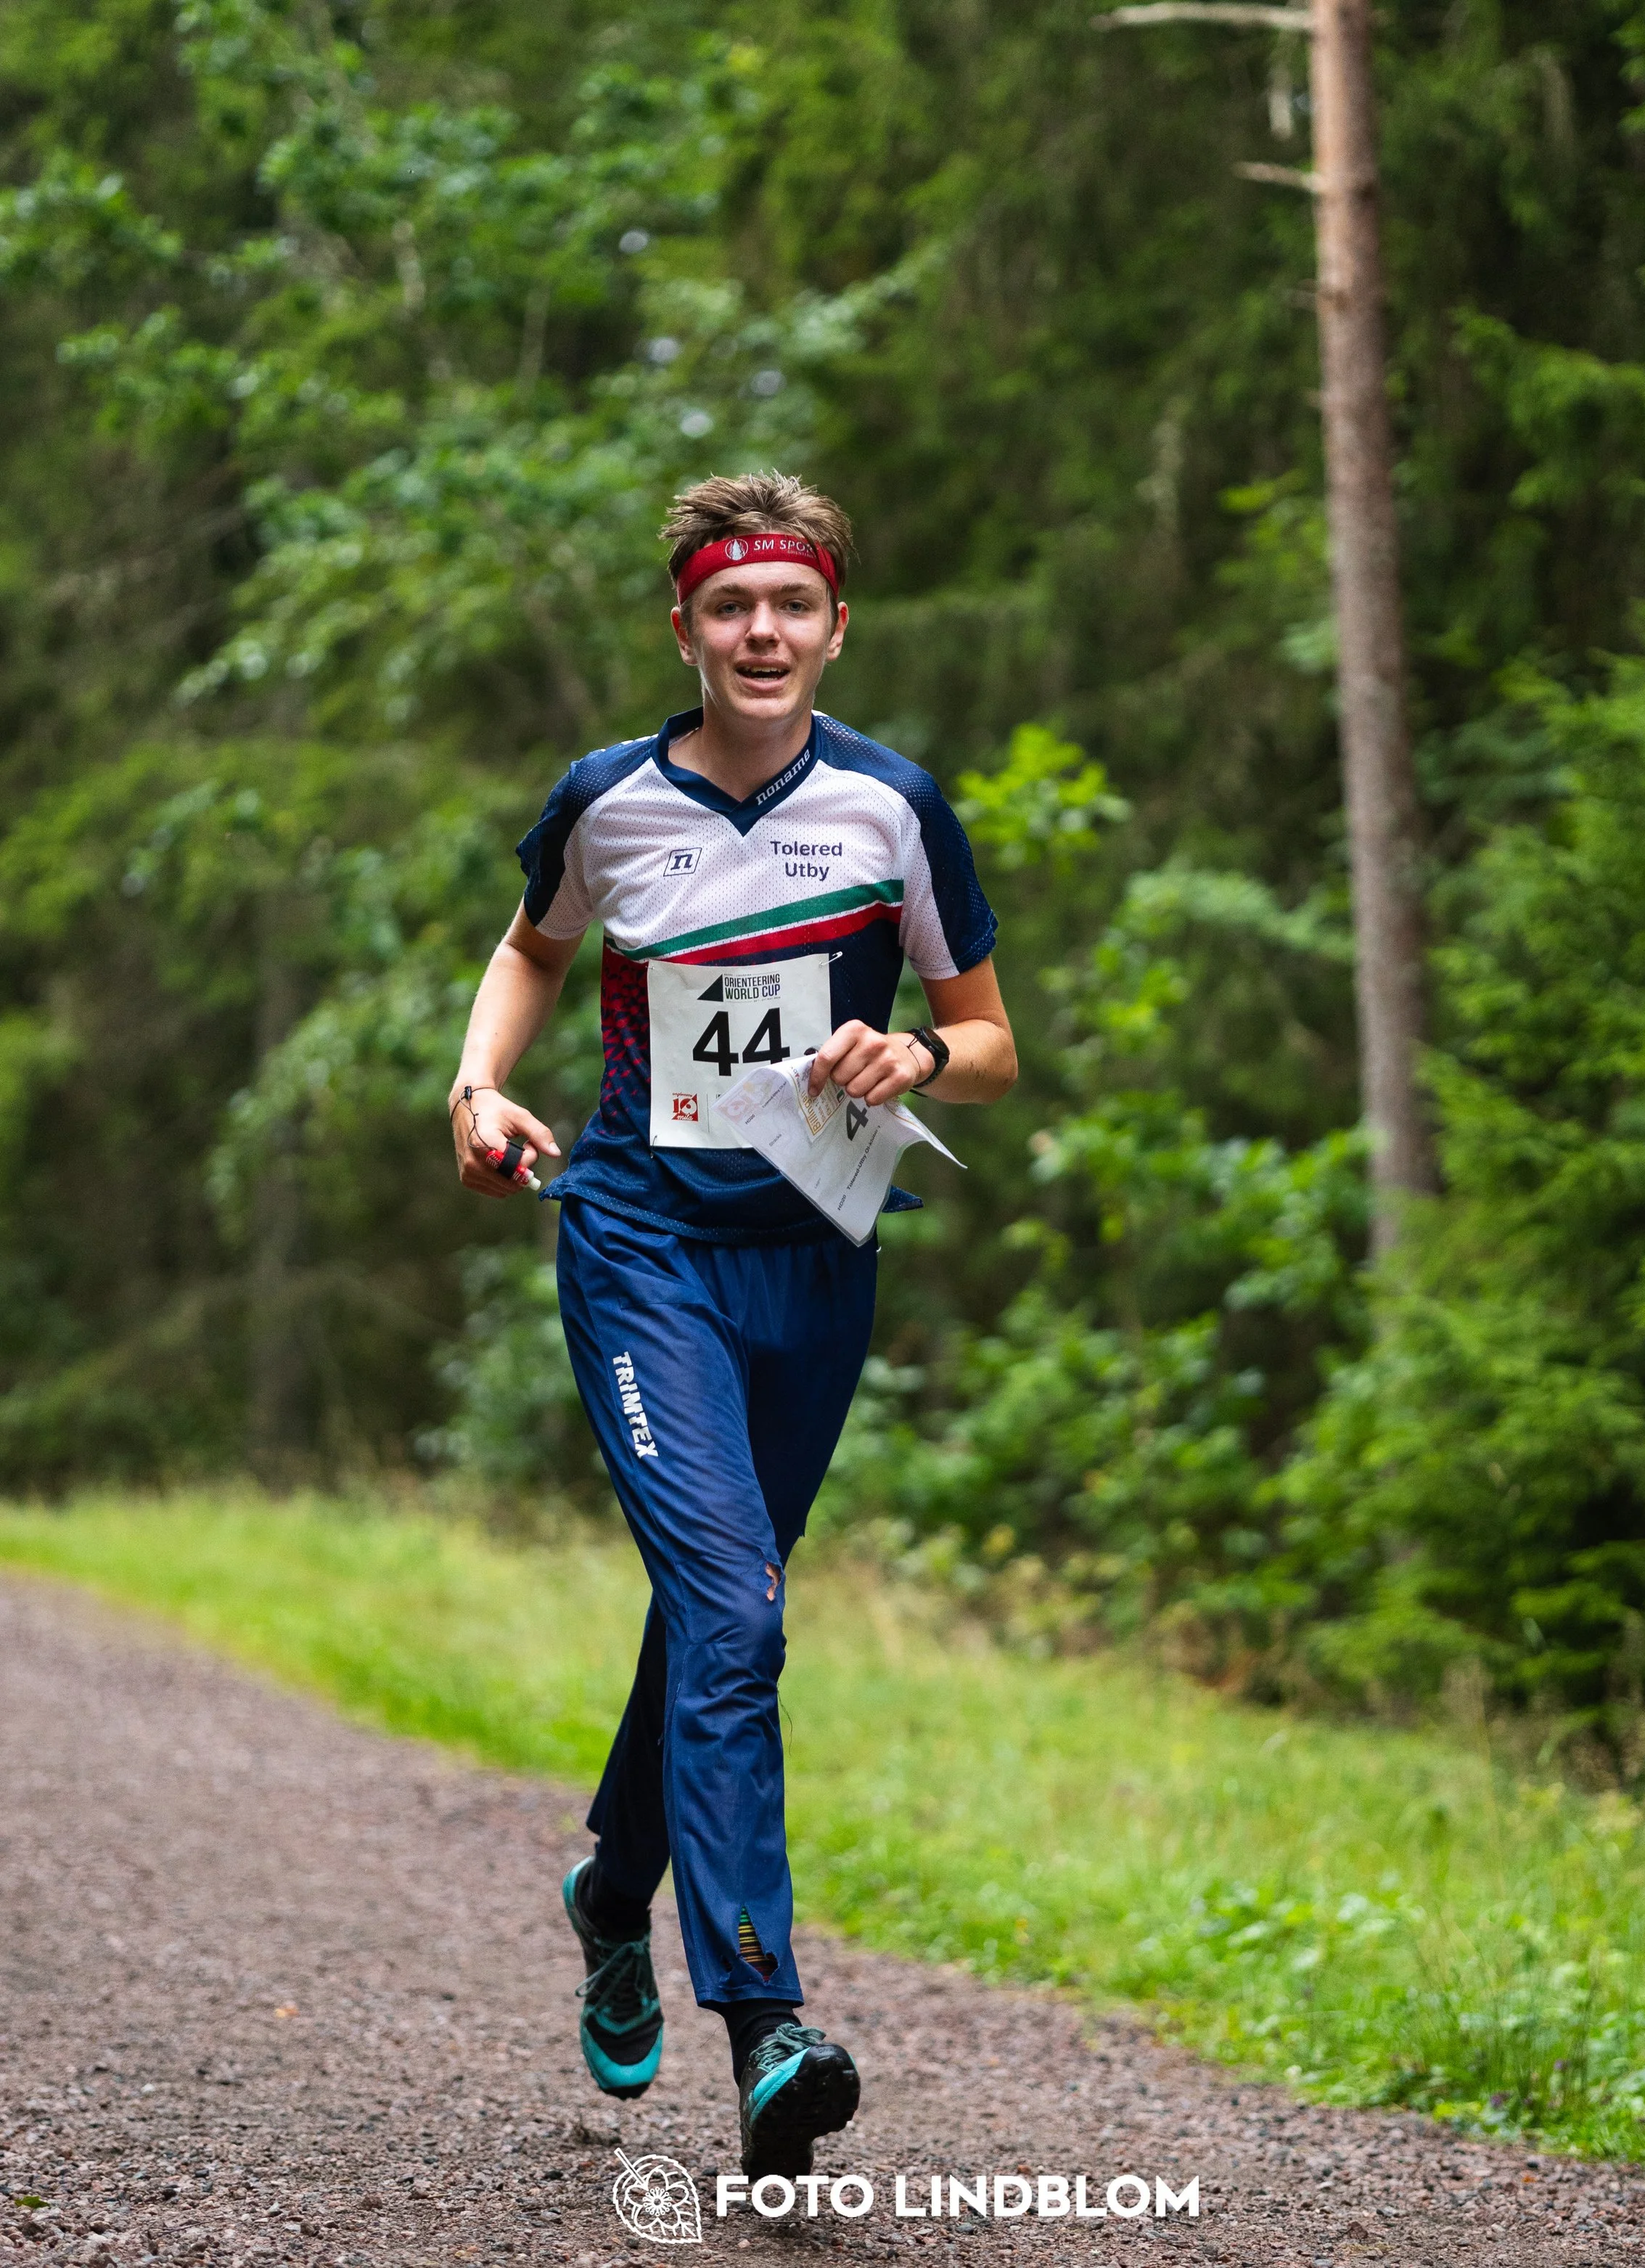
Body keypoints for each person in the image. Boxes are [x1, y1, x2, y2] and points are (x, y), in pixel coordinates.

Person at [446, 471, 1017, 2179]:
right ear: (682, 629)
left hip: (815, 1251)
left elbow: (985, 1037)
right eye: (726, 608)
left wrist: (913, 1052)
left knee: (723, 1596)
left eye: (790, 606)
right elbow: (529, 945)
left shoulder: (894, 808)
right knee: (731, 1596)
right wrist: (479, 1086)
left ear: (835, 624)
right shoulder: (607, 798)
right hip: (638, 1239)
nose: (758, 633)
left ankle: (612, 1889)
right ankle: (766, 2016)